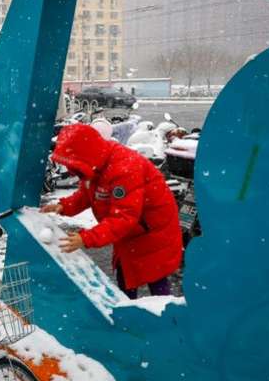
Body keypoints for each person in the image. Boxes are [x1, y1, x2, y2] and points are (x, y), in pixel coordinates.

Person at [41, 124, 182, 299]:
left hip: (152, 232)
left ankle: (164, 321)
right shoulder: (95, 165)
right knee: (126, 274)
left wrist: (86, 238)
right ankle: (128, 314)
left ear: (86, 154)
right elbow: (87, 194)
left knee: (156, 279)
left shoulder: (124, 168)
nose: (73, 172)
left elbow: (123, 217)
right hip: (132, 234)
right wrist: (64, 206)